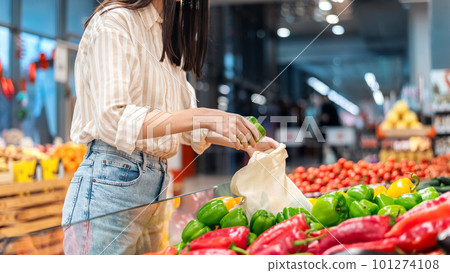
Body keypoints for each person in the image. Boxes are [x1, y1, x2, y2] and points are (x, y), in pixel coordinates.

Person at [62, 0, 279, 254]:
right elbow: (114, 117)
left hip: (158, 187)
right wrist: (204, 115)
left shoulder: (167, 36)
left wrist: (246, 140)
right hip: (110, 184)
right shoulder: (115, 21)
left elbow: (186, 125)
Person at [318, 95, 341, 163]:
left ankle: (338, 158)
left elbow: (326, 118)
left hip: (331, 130)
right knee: (323, 145)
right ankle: (321, 160)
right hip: (325, 130)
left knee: (332, 145)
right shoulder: (323, 107)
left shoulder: (330, 107)